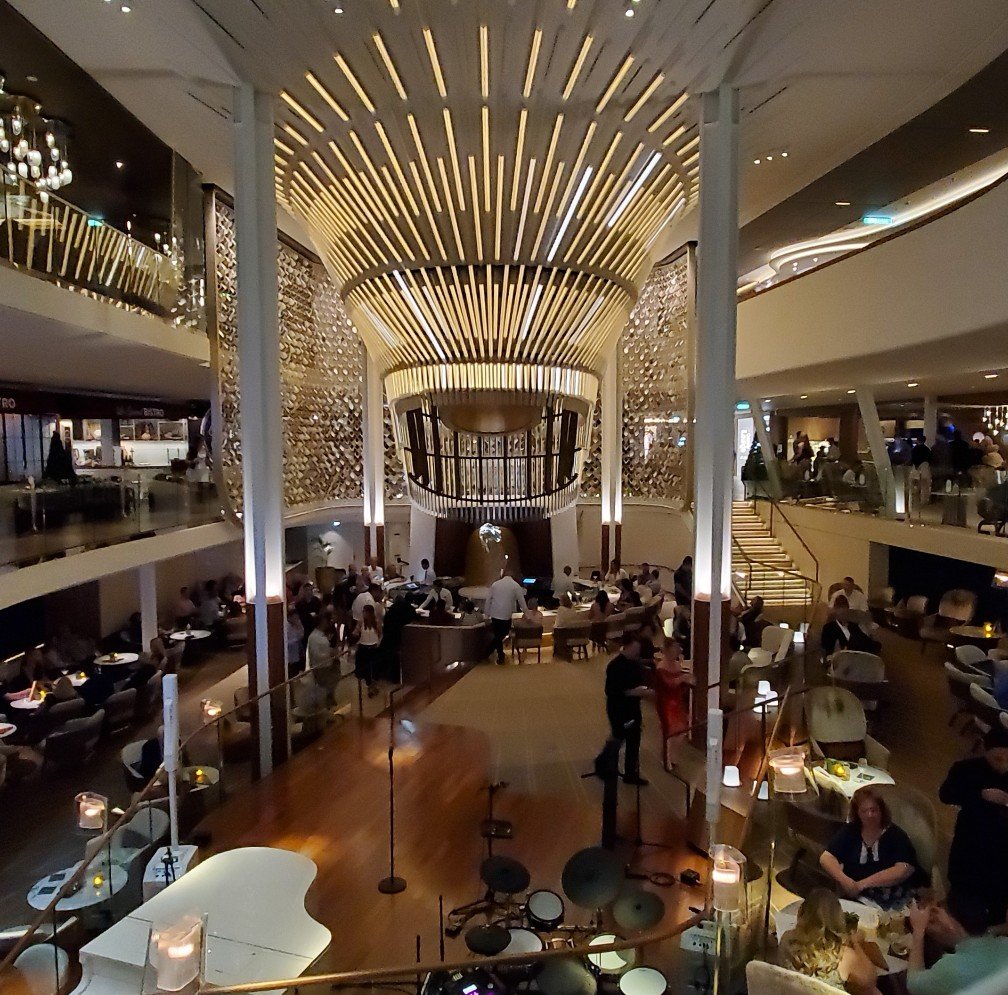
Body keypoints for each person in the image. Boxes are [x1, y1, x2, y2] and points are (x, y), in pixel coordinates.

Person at [939, 725, 1008, 934]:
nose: (1004, 765)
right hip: (970, 846)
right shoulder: (966, 769)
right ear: (985, 751)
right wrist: (979, 795)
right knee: (964, 907)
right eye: (998, 759)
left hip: (1002, 855)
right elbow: (946, 795)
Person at [819, 786, 921, 906]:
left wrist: (862, 884)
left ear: (881, 811)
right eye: (864, 811)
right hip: (858, 897)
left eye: (874, 810)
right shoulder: (850, 831)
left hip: (891, 899)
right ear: (857, 813)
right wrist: (845, 881)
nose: (870, 815)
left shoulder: (895, 835)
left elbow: (903, 869)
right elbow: (826, 858)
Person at [778, 888, 883, 995]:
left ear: (801, 913)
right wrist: (855, 943)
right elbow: (869, 979)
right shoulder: (842, 956)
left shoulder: (787, 938)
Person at [906, 900, 1008, 995]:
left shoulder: (951, 967)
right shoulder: (1004, 943)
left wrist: (918, 930)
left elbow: (913, 984)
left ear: (951, 924)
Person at [596, 634, 651, 785]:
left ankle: (630, 773)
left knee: (633, 741)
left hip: (633, 708)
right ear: (627, 646)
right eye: (635, 649)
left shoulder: (635, 664)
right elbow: (611, 691)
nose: (637, 652)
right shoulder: (615, 666)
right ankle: (604, 765)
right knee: (619, 738)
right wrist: (634, 692)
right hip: (619, 709)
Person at [654, 637, 693, 769]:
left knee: (681, 729)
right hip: (666, 703)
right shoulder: (661, 667)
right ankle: (667, 759)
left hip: (677, 701)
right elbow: (669, 684)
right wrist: (683, 678)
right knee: (669, 730)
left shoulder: (676, 665)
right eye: (674, 648)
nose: (678, 651)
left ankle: (673, 757)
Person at [485, 571, 528, 665]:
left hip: (495, 614)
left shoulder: (495, 584)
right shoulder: (515, 586)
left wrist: (486, 614)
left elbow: (488, 600)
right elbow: (522, 601)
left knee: (497, 636)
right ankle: (494, 654)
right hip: (506, 615)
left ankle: (495, 654)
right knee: (501, 635)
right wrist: (527, 613)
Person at [353, 604, 383, 696]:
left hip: (373, 648)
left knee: (374, 669)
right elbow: (355, 632)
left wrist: (378, 642)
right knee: (366, 670)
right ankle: (370, 686)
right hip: (363, 647)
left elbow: (380, 634)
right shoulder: (361, 622)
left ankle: (373, 686)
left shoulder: (376, 622)